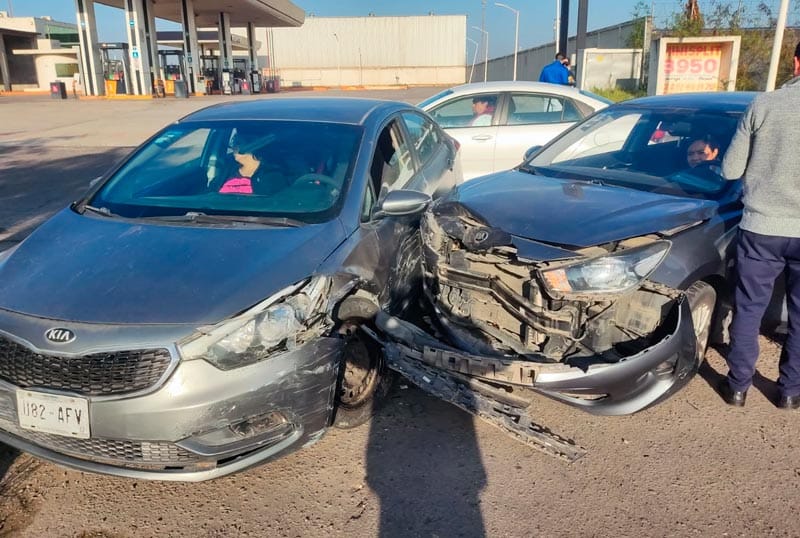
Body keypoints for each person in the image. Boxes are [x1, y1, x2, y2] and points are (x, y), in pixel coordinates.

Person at [718, 41, 800, 409]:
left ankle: (738, 387)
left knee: (749, 309)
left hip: (762, 228)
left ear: (796, 63)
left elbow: (731, 170)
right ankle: (790, 392)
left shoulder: (764, 104)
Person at [218, 131, 285, 195]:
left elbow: (276, 200)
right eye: (233, 144)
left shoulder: (272, 175)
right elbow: (213, 191)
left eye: (238, 143)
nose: (233, 148)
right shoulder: (228, 170)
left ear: (253, 146)